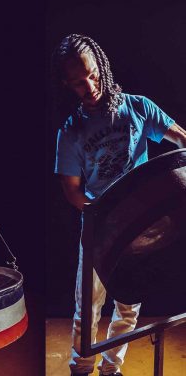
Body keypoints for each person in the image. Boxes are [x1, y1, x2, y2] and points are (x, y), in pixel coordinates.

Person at [52, 34, 186, 376]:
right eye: (80, 83)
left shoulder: (138, 106)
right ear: (67, 84)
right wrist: (99, 214)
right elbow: (71, 190)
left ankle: (112, 369)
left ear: (102, 67)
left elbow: (182, 141)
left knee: (128, 306)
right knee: (89, 307)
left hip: (141, 226)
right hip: (98, 226)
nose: (90, 86)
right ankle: (81, 369)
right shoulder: (71, 131)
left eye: (94, 76)